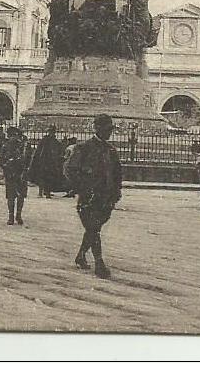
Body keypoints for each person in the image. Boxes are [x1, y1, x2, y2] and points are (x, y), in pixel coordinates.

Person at [65, 114, 123, 279]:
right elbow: (70, 170)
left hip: (106, 197)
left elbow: (118, 173)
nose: (108, 133)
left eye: (110, 130)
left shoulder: (111, 150)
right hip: (89, 196)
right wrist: (82, 186)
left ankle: (81, 255)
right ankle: (99, 263)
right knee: (92, 228)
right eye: (105, 130)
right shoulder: (84, 148)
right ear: (97, 129)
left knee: (94, 228)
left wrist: (117, 190)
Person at [0, 126, 33, 226]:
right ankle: (13, 216)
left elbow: (28, 159)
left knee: (17, 196)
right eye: (11, 136)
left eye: (14, 135)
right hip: (12, 174)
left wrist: (25, 170)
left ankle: (16, 216)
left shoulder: (23, 146)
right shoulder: (6, 146)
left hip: (19, 174)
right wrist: (6, 168)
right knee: (12, 197)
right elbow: (1, 160)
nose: (13, 137)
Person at [29, 126, 63, 198]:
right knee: (42, 177)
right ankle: (41, 192)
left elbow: (58, 150)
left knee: (49, 177)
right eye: (50, 131)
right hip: (43, 161)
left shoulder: (54, 141)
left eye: (52, 132)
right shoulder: (45, 140)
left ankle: (47, 192)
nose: (51, 133)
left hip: (50, 162)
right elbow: (39, 151)